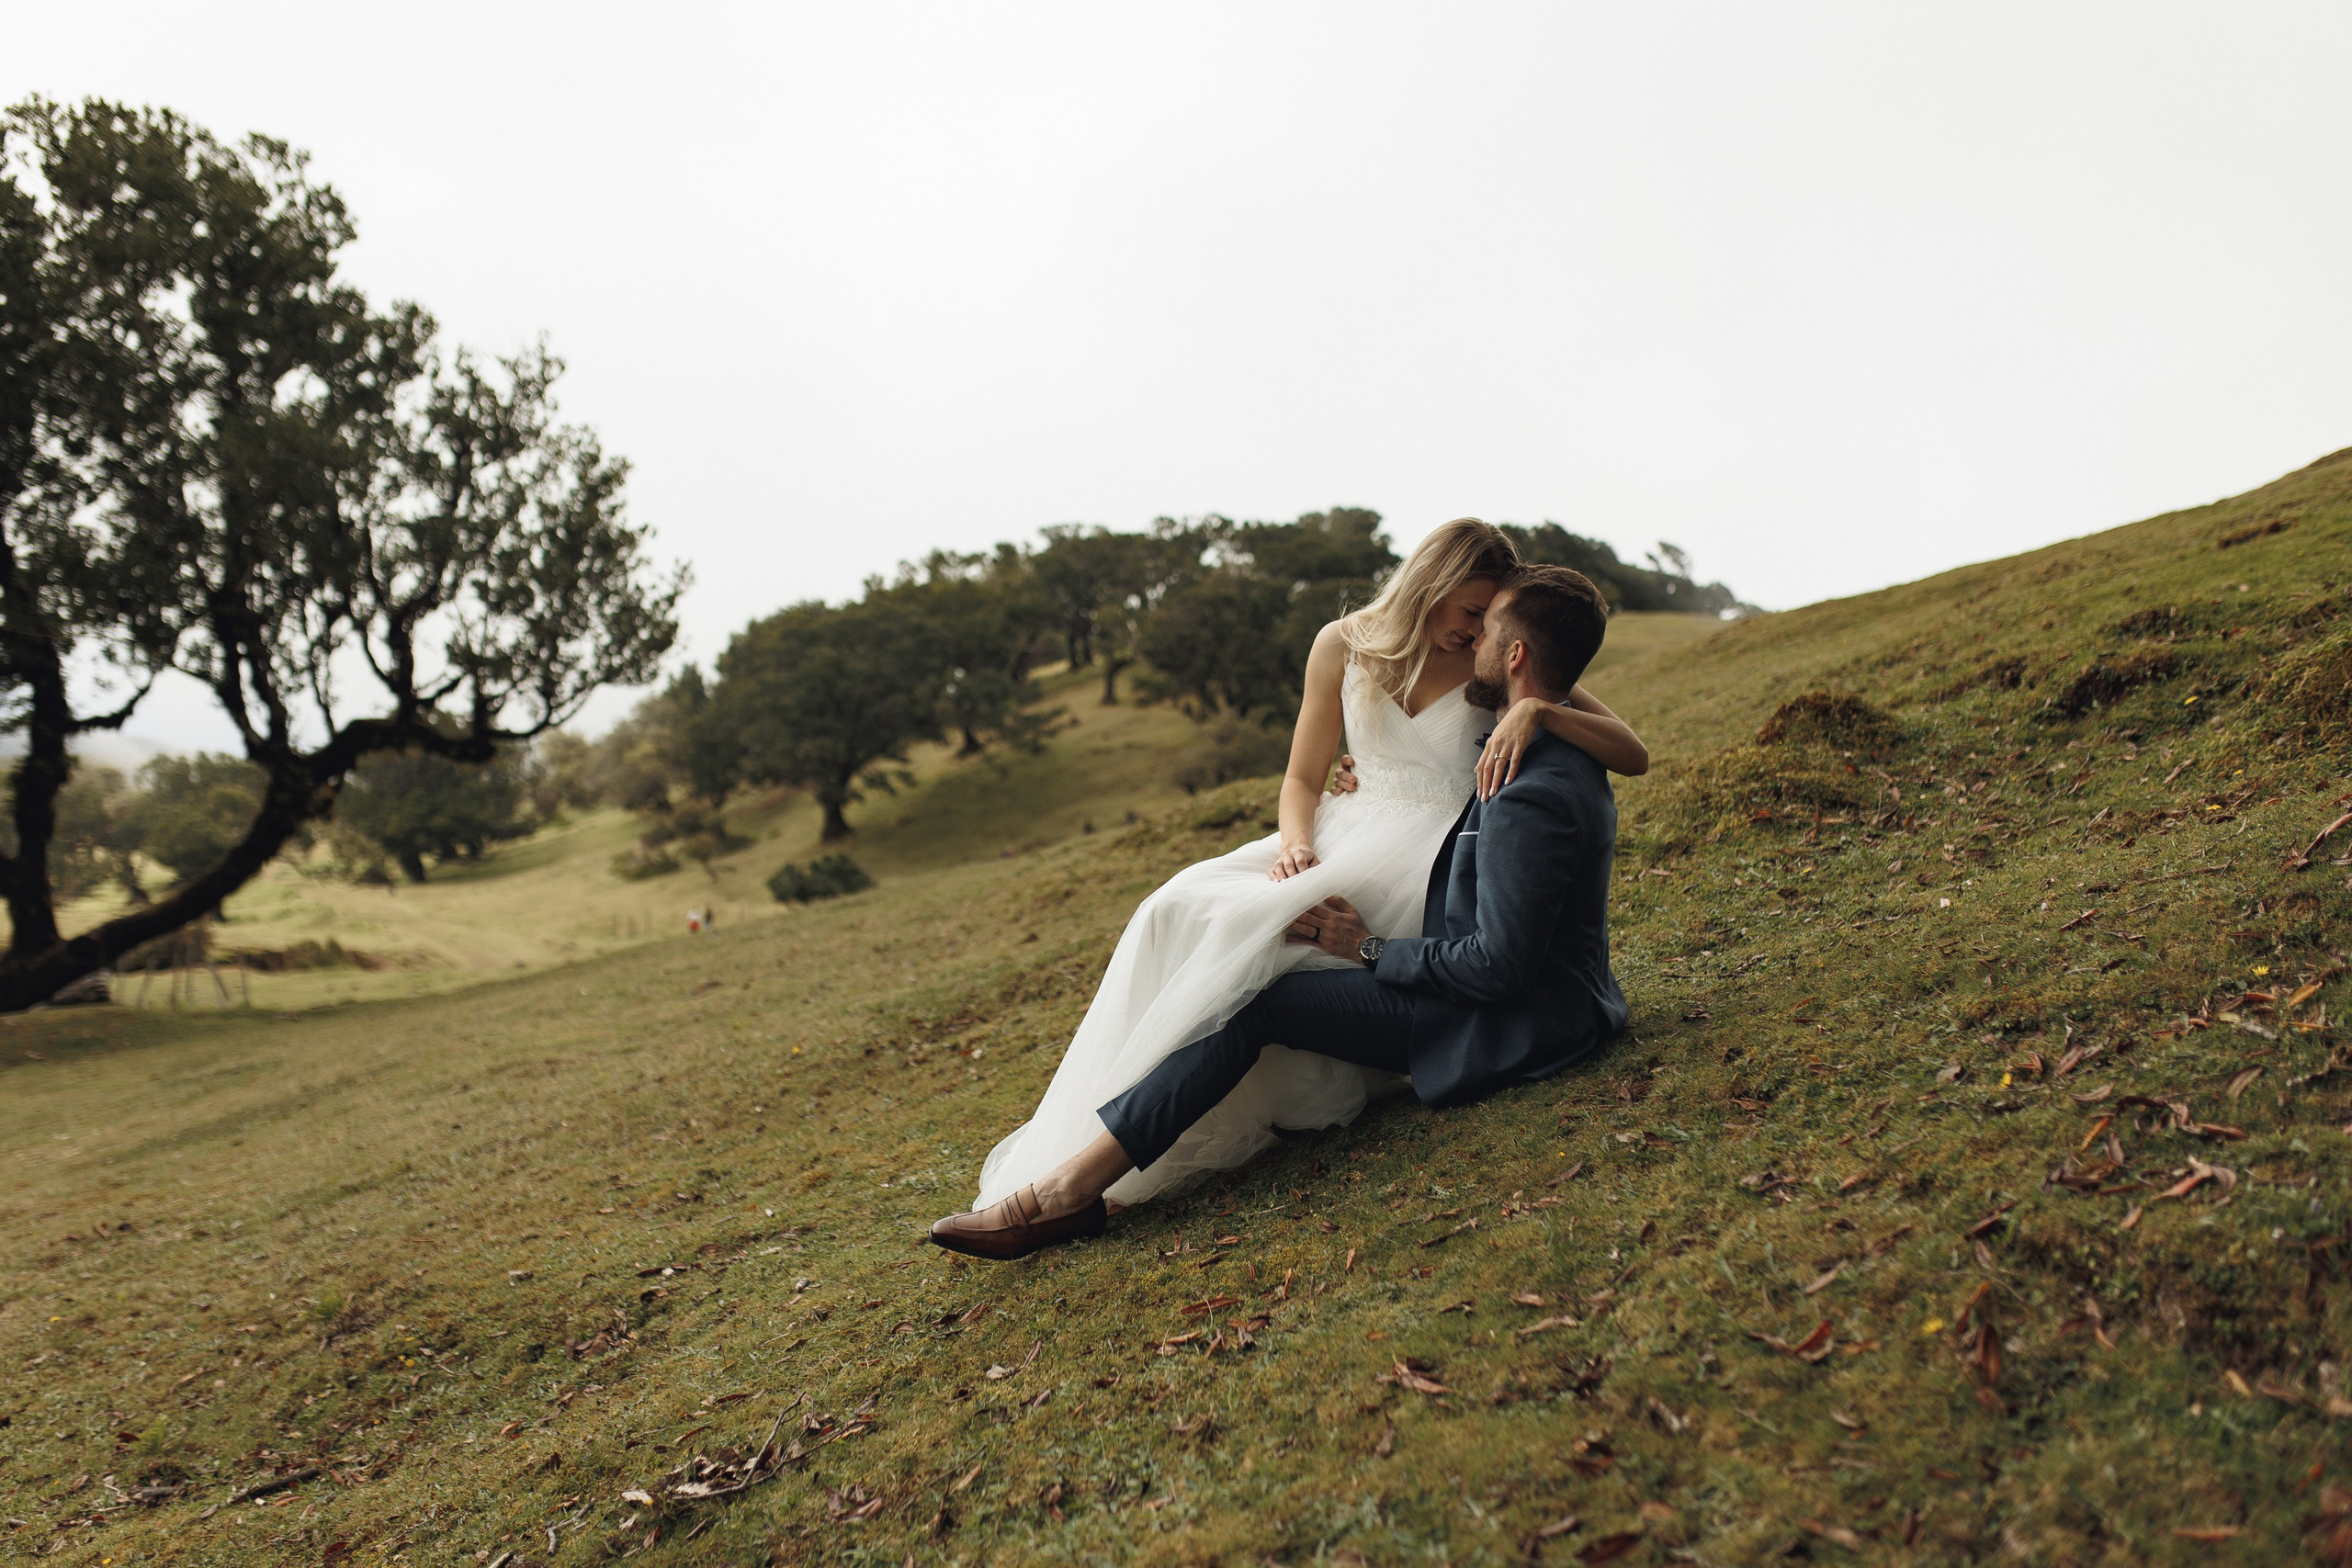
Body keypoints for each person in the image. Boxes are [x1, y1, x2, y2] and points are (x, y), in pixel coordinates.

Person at [933, 525, 1642, 1257]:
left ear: (1513, 654)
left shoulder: (1529, 780)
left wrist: (1368, 946)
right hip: (1418, 900)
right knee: (1185, 920)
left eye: (1487, 626)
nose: (1474, 637)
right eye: (1473, 614)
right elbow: (1313, 778)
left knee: (1257, 981)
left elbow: (1498, 965)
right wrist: (1317, 834)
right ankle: (1075, 1176)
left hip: (1480, 996)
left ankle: (1068, 1191)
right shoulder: (1502, 739)